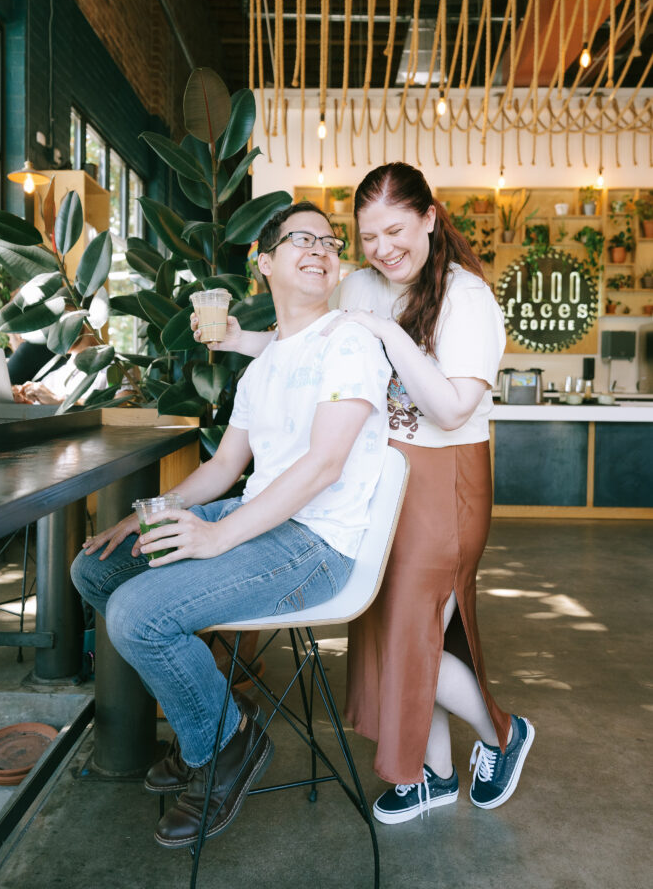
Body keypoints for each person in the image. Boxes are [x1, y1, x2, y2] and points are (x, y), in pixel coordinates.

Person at [207, 164, 534, 826]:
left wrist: (386, 333)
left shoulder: (464, 297)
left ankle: (504, 734)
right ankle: (433, 775)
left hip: (444, 484)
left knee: (411, 640)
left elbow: (448, 409)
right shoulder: (358, 283)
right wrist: (236, 340)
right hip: (381, 479)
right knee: (391, 635)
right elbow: (305, 340)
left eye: (395, 230)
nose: (383, 248)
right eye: (367, 236)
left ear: (429, 219)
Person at [70, 202, 391, 846]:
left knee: (139, 615)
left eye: (330, 242)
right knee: (98, 569)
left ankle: (225, 745)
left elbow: (326, 465)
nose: (321, 249)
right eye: (301, 238)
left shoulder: (351, 342)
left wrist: (217, 534)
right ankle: (215, 717)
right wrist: (158, 514)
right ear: (264, 261)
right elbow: (222, 469)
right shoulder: (268, 359)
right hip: (260, 519)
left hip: (316, 543)